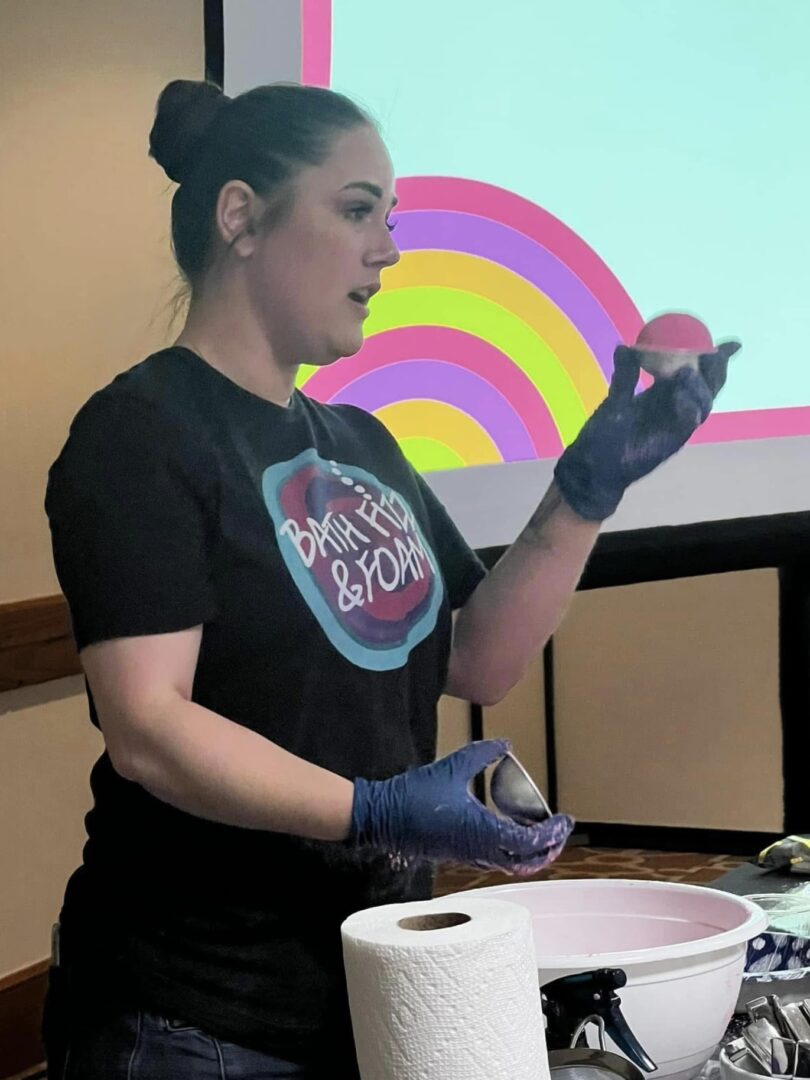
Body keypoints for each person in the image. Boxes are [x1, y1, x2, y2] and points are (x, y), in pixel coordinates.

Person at [42, 79, 737, 1079]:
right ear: (241, 217)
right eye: (357, 210)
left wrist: (586, 491)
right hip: (193, 1015)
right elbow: (149, 727)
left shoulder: (360, 443)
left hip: (366, 986)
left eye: (390, 218)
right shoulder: (141, 435)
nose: (389, 250)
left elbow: (475, 658)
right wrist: (376, 810)